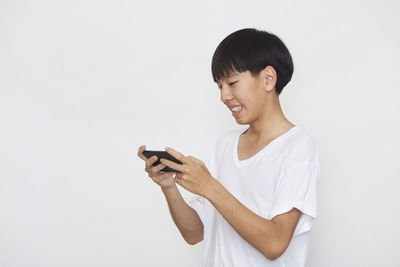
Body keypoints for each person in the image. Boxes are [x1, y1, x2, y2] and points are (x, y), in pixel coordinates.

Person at [137, 28, 319, 267]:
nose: (224, 96)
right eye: (219, 86)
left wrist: (210, 187)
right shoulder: (225, 145)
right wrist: (168, 186)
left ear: (268, 78)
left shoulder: (297, 146)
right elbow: (195, 233)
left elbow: (275, 243)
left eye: (232, 83)